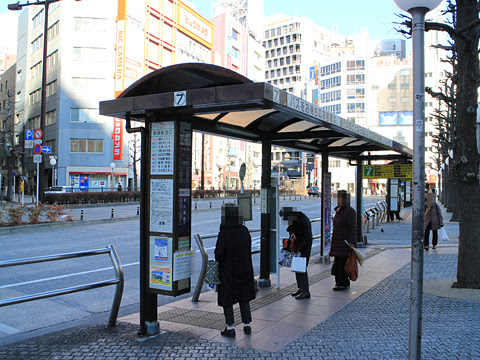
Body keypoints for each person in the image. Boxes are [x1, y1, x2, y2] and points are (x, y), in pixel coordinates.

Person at [215, 204, 255, 338]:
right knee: (244, 297)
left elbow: (218, 255)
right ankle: (247, 325)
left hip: (228, 272)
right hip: (244, 269)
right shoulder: (244, 230)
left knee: (227, 298)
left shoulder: (224, 233)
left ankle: (230, 327)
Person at [279, 207, 313, 299]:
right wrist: (292, 233)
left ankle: (306, 291)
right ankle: (301, 288)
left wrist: (300, 249)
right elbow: (290, 229)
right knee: (297, 267)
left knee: (302, 268)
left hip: (304, 247)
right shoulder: (293, 218)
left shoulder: (303, 219)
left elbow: (308, 237)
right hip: (297, 246)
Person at [329, 190, 357, 291]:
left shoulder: (349, 211)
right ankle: (340, 282)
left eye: (341, 198)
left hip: (344, 242)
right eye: (338, 198)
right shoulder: (339, 211)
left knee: (343, 263)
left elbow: (353, 228)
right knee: (338, 262)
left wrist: (352, 242)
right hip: (337, 241)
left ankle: (342, 283)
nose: (338, 200)